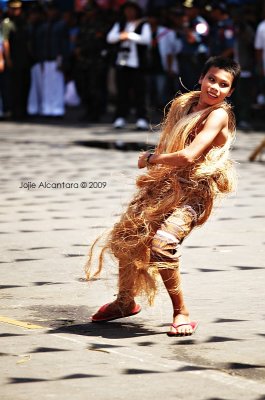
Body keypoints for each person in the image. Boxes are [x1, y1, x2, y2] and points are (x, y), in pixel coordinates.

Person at [85, 56, 241, 336]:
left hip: (195, 191)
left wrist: (151, 159)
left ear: (230, 92)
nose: (215, 88)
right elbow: (171, 144)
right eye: (212, 80)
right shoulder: (185, 105)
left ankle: (182, 313)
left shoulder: (218, 115)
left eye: (223, 85)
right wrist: (156, 174)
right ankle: (124, 302)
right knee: (126, 236)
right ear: (201, 78)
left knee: (162, 244)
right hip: (166, 185)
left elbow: (189, 156)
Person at [107, 0, 151, 130]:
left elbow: (146, 40)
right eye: (127, 10)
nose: (129, 12)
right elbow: (110, 38)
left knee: (139, 92)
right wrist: (121, 36)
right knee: (122, 92)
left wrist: (130, 35)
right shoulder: (120, 24)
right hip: (122, 63)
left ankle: (141, 118)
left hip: (137, 64)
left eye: (132, 10)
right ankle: (120, 117)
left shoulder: (143, 25)